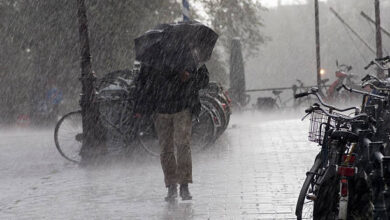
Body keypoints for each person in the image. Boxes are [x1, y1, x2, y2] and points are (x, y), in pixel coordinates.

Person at [134, 63, 209, 201]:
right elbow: (143, 83)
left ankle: (184, 185)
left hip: (182, 107)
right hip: (161, 110)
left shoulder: (188, 55)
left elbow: (204, 80)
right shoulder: (153, 58)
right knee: (166, 149)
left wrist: (189, 77)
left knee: (182, 146)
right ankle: (171, 186)